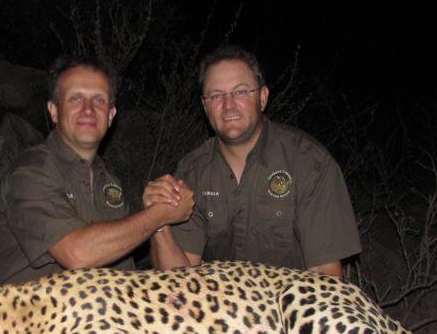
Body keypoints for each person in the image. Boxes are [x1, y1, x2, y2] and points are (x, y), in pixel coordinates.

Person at [146, 46, 360, 277]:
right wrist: (158, 220)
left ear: (263, 97)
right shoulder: (192, 172)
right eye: (216, 95)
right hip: (219, 306)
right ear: (205, 106)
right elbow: (179, 280)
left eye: (240, 92)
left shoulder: (310, 164)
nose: (228, 106)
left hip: (287, 307)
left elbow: (325, 274)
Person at [0, 55, 193, 285]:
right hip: (22, 315)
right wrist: (158, 214)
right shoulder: (30, 171)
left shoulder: (109, 182)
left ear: (111, 116)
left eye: (99, 100)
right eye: (76, 99)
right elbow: (77, 254)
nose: (88, 110)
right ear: (53, 111)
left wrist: (162, 216)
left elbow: (164, 277)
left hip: (88, 315)